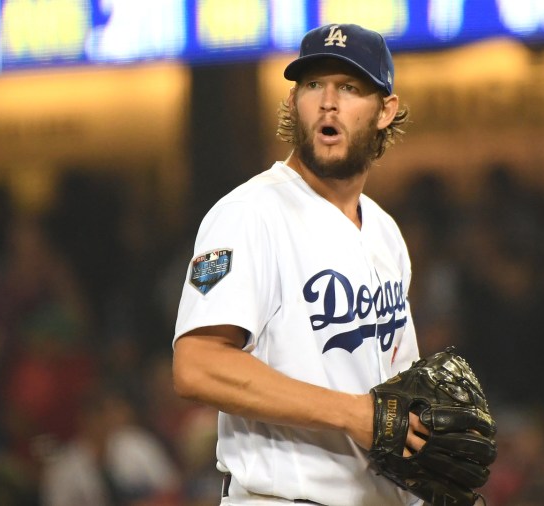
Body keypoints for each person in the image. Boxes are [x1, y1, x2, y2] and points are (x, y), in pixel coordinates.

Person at [173, 23, 424, 505]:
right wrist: (351, 413)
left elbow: (393, 398)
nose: (328, 102)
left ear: (384, 111)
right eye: (313, 85)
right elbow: (197, 365)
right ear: (293, 104)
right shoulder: (249, 215)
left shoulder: (386, 232)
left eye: (349, 87)